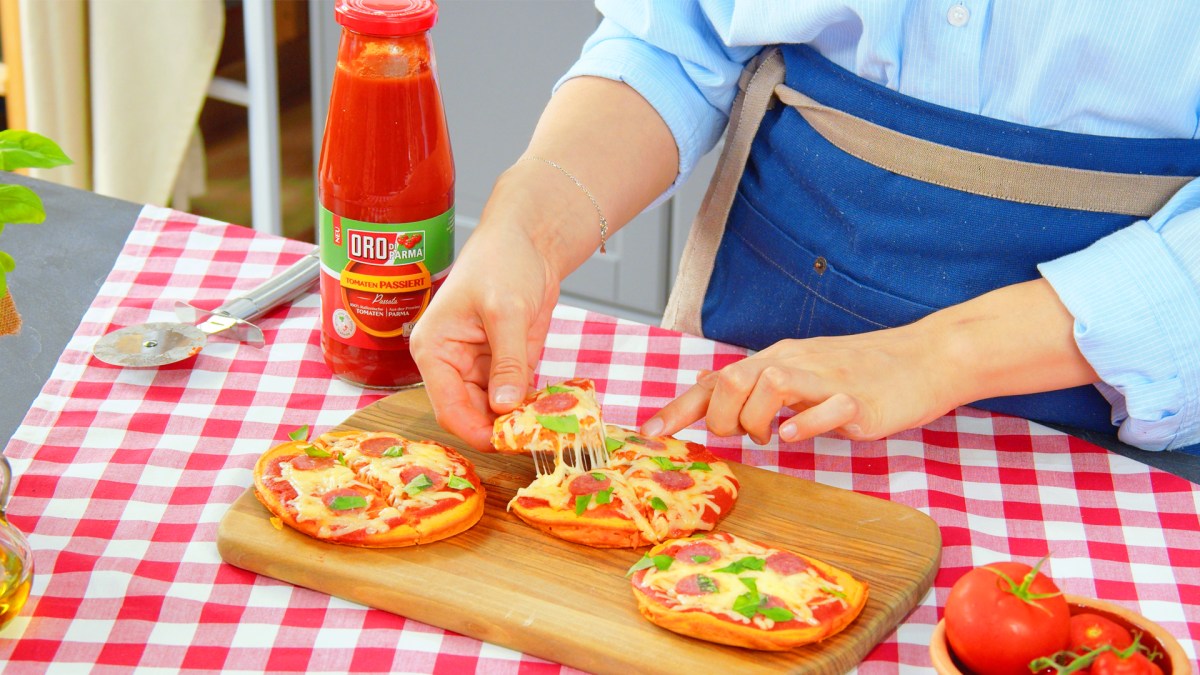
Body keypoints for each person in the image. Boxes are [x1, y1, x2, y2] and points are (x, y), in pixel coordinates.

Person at [410, 2, 1200, 456]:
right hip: (755, 388)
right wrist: (530, 221)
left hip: (1114, 414)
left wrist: (940, 352)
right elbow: (677, 39)